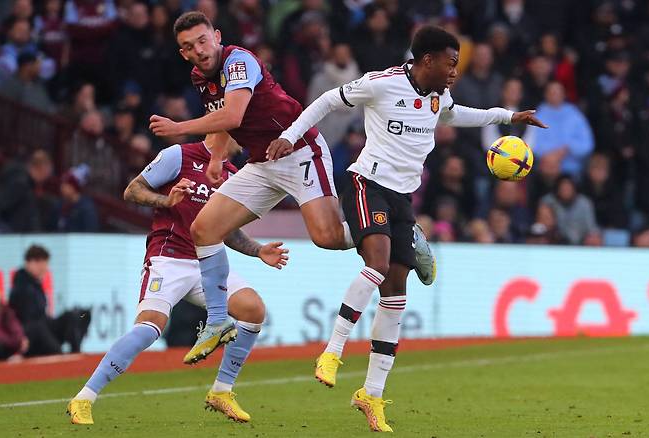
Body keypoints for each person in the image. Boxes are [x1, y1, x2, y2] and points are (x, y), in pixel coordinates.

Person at [267, 25, 546, 432]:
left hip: (401, 200)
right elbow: (327, 100)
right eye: (451, 63)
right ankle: (332, 350)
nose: (455, 71)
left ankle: (371, 394)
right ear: (427, 60)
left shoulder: (438, 96)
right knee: (377, 265)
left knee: (396, 296)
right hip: (367, 184)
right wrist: (290, 136)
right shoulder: (382, 84)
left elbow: (456, 113)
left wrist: (507, 116)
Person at [147, 11, 436, 364]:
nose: (199, 50)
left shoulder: (238, 61)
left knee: (327, 236)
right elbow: (226, 120)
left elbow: (234, 114)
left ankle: (405, 233)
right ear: (183, 53)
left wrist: (179, 128)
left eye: (203, 41)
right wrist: (217, 157)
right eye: (189, 47)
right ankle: (218, 321)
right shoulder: (199, 77)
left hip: (298, 150)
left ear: (217, 36)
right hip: (261, 161)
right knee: (204, 229)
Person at [66, 134, 288, 425]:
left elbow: (228, 230)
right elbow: (133, 190)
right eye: (241, 127)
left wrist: (258, 251)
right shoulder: (179, 156)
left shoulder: (234, 174)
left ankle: (222, 391)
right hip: (168, 259)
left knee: (253, 310)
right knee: (148, 329)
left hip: (207, 262)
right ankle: (84, 398)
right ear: (223, 127)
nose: (246, 134)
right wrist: (166, 200)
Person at [9, 245, 90, 356]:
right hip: (29, 334)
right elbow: (28, 320)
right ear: (31, 263)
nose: (45, 269)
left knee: (81, 314)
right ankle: (59, 357)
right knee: (39, 328)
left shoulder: (36, 284)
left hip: (44, 327)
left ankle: (75, 352)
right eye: (42, 265)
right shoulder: (21, 286)